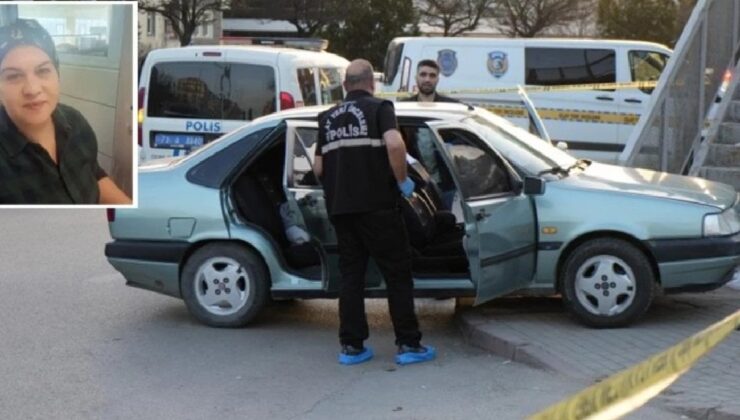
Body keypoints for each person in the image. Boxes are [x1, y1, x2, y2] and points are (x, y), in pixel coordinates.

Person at [313, 59, 436, 366]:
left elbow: (318, 167)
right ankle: (408, 344)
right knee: (397, 273)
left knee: (351, 277)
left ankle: (352, 347)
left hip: (341, 209)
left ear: (345, 86)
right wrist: (402, 181)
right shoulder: (380, 108)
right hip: (378, 207)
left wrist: (338, 185)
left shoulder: (325, 117)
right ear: (372, 83)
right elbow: (395, 145)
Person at [0, 19, 131, 205]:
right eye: (13, 76)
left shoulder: (74, 121)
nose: (32, 89)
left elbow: (93, 174)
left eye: (43, 70)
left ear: (57, 74)